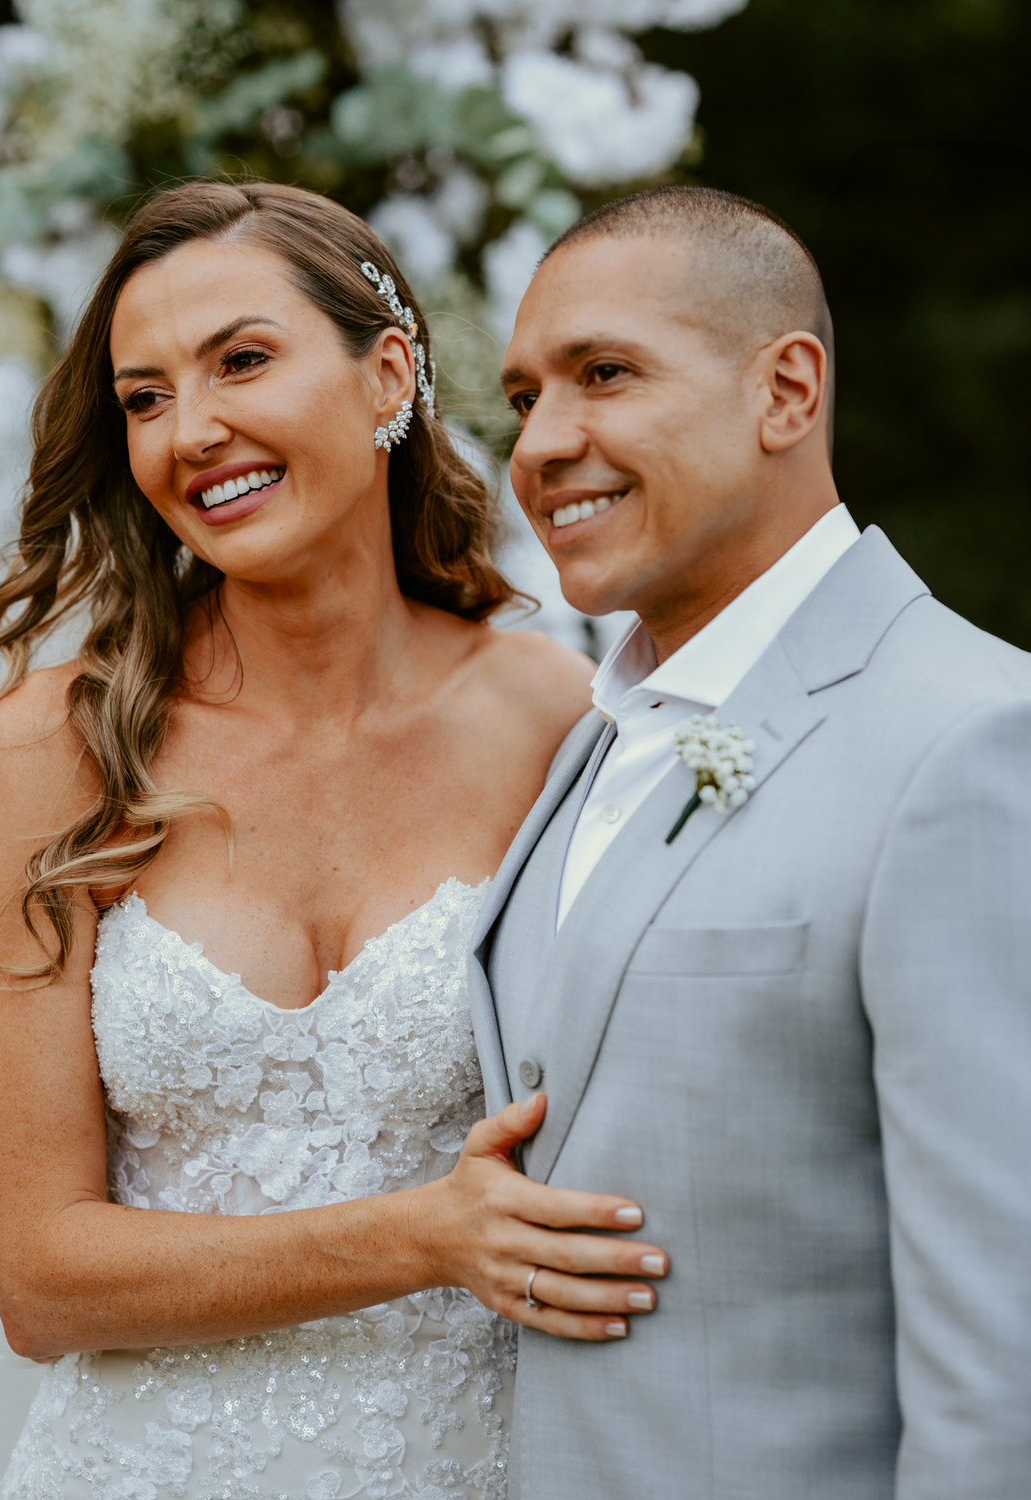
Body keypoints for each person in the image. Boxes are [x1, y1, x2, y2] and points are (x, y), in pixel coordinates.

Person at [0, 182, 669, 1500]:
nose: (192, 431)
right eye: (146, 397)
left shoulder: (558, 718)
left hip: (472, 1463)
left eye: (242, 361)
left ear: (386, 371)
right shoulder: (60, 748)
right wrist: (429, 1236)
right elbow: (42, 1281)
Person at [470, 185, 1031, 1499]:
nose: (545, 442)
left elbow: (1006, 1346)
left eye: (604, 373)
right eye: (523, 398)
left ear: (785, 391)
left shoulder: (974, 742)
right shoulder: (592, 739)